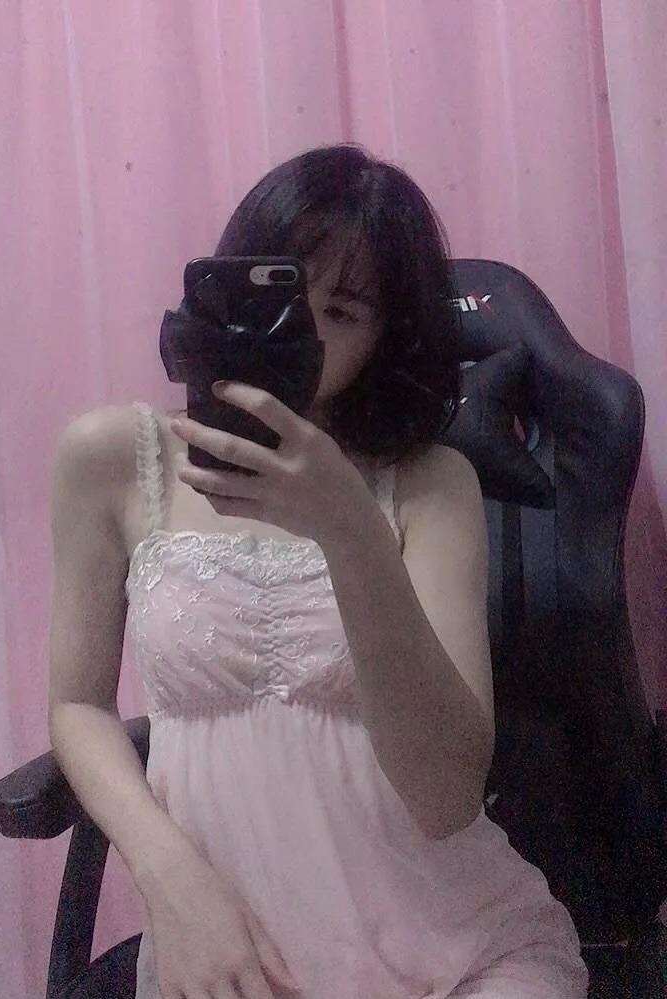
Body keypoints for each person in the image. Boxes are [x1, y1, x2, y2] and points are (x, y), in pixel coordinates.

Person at [48, 144, 589, 999]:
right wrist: (168, 874)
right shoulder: (111, 457)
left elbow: (447, 794)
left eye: (340, 310)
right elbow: (79, 704)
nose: (297, 332)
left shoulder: (432, 483)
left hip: (454, 949)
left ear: (384, 338)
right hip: (224, 952)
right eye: (279, 293)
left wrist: (349, 528)